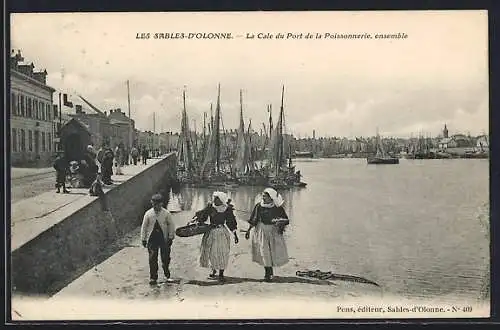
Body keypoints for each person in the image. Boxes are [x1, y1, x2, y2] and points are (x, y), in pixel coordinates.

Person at [245, 188, 289, 282]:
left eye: (265, 196)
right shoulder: (258, 206)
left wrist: (279, 221)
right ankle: (267, 273)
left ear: (271, 197)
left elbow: (286, 220)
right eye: (263, 196)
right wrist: (248, 230)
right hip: (261, 231)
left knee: (272, 252)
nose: (264, 198)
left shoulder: (277, 207)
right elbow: (254, 219)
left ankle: (270, 271)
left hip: (273, 232)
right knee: (264, 252)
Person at [193, 191, 238, 282]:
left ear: (221, 200)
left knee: (222, 252)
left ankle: (221, 273)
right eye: (214, 198)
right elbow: (203, 216)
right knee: (212, 252)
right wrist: (198, 221)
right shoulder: (210, 207)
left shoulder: (227, 209)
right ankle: (213, 270)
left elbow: (231, 222)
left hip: (222, 232)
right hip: (211, 231)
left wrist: (235, 234)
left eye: (216, 198)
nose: (214, 200)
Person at [141, 193, 176, 285]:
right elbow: (144, 227)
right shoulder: (148, 213)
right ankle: (153, 277)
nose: (156, 206)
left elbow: (171, 225)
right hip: (152, 238)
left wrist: (171, 237)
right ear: (152, 203)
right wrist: (143, 239)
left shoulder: (166, 213)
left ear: (161, 204)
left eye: (158, 204)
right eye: (154, 204)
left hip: (163, 238)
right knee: (152, 258)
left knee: (165, 257)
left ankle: (167, 274)